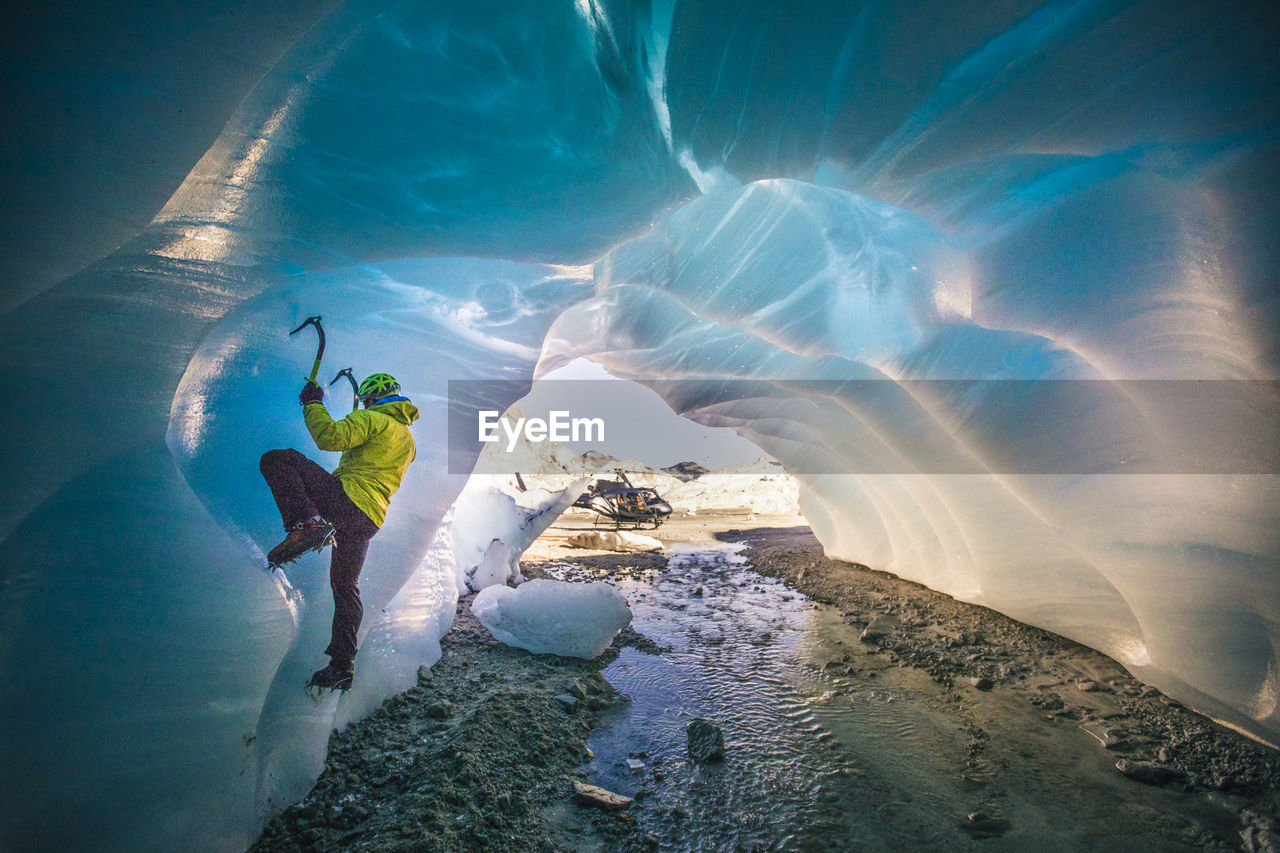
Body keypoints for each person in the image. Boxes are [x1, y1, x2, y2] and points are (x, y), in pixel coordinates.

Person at [259, 372, 419, 691]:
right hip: (367, 520)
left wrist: (313, 402)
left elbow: (328, 437)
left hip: (346, 501)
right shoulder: (407, 440)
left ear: (372, 399)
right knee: (346, 586)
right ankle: (342, 667)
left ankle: (306, 525)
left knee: (279, 459)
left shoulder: (373, 419)